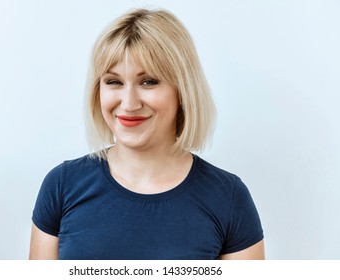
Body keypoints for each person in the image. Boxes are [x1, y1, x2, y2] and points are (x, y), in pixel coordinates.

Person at [29, 8, 264, 260]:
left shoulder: (227, 197)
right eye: (113, 82)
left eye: (149, 81)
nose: (129, 103)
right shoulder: (62, 186)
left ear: (183, 91)